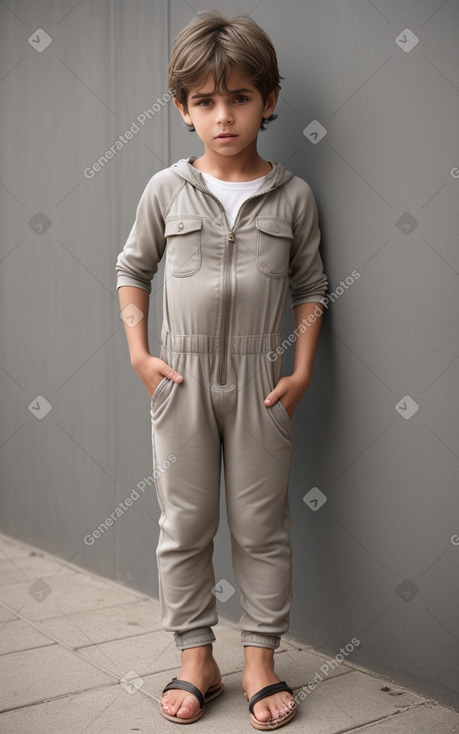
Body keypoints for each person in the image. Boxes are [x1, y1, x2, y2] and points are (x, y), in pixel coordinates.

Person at [115, 10, 328, 730]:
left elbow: (310, 288)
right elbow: (131, 269)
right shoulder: (164, 190)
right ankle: (197, 656)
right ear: (182, 110)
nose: (223, 114)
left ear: (267, 100)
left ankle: (261, 658)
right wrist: (141, 355)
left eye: (238, 96)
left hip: (259, 382)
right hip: (180, 380)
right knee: (185, 523)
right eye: (204, 101)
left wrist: (298, 373)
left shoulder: (291, 196)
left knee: (260, 526)